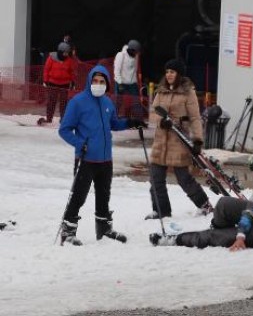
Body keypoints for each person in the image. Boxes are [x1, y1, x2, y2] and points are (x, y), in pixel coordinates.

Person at [149, 150, 253, 251]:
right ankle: (227, 232)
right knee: (223, 203)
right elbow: (250, 208)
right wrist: (241, 233)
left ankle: (175, 239)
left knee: (214, 236)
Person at [58, 65, 147, 246]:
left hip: (105, 159)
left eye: (102, 82)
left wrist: (130, 122)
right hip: (86, 158)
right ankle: (68, 232)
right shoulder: (78, 102)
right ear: (90, 81)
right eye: (95, 81)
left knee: (104, 195)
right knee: (79, 196)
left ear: (107, 84)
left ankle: (104, 230)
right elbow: (64, 130)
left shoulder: (107, 103)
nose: (98, 84)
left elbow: (113, 123)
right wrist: (79, 143)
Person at [145, 59, 213, 220]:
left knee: (184, 179)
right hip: (161, 141)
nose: (169, 75)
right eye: (167, 71)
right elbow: (153, 113)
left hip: (179, 140)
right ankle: (161, 211)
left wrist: (197, 140)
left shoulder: (188, 92)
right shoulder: (160, 91)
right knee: (155, 179)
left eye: (172, 72)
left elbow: (195, 118)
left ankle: (205, 205)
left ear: (179, 74)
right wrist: (160, 121)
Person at [40, 42, 76, 124]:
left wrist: (72, 82)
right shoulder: (51, 58)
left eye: (67, 53)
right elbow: (46, 69)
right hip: (53, 83)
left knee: (63, 102)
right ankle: (49, 118)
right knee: (51, 101)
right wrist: (45, 80)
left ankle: (63, 118)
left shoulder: (69, 60)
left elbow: (71, 72)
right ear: (60, 51)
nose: (66, 54)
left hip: (65, 84)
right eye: (65, 52)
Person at [114, 39, 142, 116]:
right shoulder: (121, 55)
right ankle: (114, 117)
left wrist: (135, 82)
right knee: (118, 102)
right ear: (131, 50)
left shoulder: (136, 56)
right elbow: (117, 70)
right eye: (136, 51)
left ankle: (138, 119)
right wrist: (119, 83)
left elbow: (135, 69)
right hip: (121, 82)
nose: (137, 53)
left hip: (132, 83)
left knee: (136, 101)